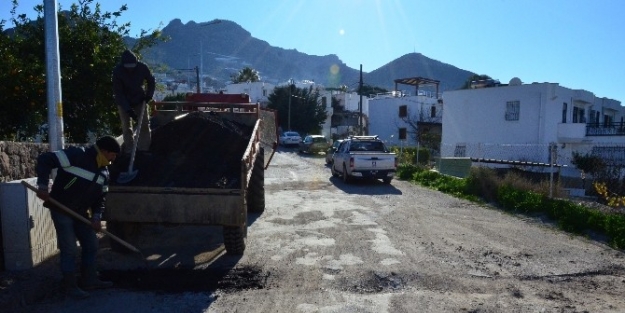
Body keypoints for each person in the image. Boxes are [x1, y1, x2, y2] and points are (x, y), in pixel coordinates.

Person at [35, 136, 121, 299]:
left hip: (80, 214)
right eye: (113, 155)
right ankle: (69, 286)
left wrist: (96, 217)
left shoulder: (104, 171)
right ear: (104, 151)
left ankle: (89, 280)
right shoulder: (76, 155)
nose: (114, 158)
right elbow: (45, 159)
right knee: (70, 249)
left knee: (91, 244)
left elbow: (101, 197)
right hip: (61, 209)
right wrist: (42, 185)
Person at [112, 49, 155, 155]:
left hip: (140, 99)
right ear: (123, 65)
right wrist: (128, 110)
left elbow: (151, 81)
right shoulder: (117, 71)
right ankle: (129, 150)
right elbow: (118, 93)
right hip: (123, 101)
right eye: (128, 67)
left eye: (133, 66)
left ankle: (143, 149)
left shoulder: (142, 67)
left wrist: (148, 96)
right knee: (126, 126)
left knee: (144, 124)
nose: (131, 69)